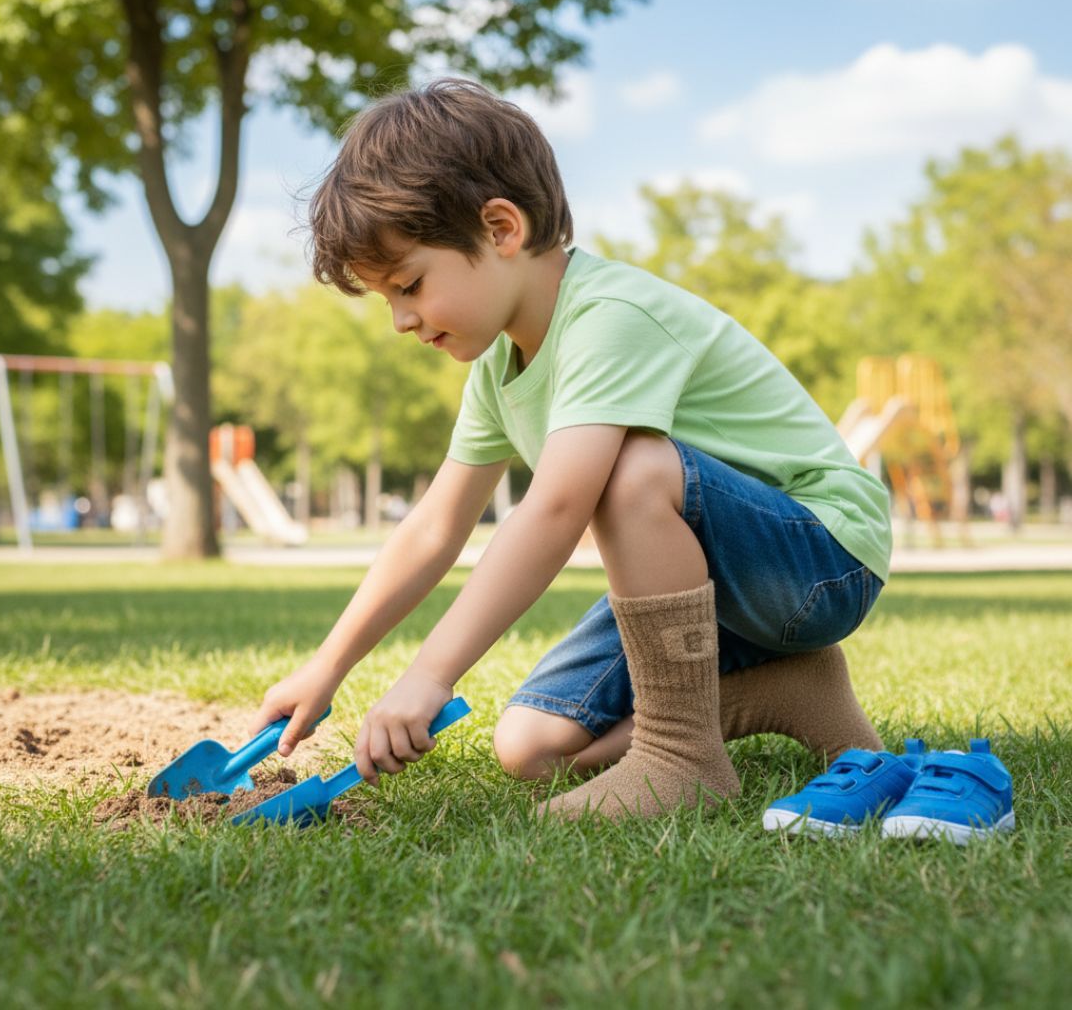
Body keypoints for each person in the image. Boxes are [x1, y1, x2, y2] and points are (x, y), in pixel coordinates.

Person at [250, 78, 892, 821]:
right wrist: (326, 668)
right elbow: (433, 528)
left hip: (821, 558)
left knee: (628, 469)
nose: (400, 319)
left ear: (500, 228)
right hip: (715, 585)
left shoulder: (609, 316)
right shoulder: (499, 367)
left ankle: (683, 757)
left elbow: (556, 509)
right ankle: (781, 690)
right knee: (531, 746)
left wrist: (430, 675)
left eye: (410, 285)